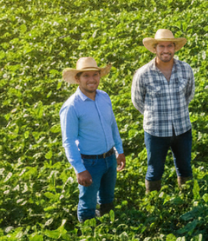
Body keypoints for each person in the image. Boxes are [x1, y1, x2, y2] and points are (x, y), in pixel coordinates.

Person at [59, 57, 126, 222]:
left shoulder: (104, 97)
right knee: (87, 204)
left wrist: (120, 151)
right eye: (86, 76)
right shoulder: (71, 107)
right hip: (89, 162)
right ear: (77, 79)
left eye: (95, 75)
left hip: (109, 158)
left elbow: (112, 126)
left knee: (107, 199)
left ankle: (107, 229)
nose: (92, 80)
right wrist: (80, 169)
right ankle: (89, 239)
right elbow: (68, 141)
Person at [132, 29, 195, 193]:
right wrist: (153, 116)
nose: (166, 50)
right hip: (155, 131)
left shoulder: (185, 69)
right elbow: (138, 101)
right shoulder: (143, 73)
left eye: (169, 46)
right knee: (154, 170)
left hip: (182, 128)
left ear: (175, 48)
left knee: (185, 168)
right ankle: (152, 204)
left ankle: (186, 200)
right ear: (155, 48)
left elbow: (189, 94)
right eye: (161, 46)